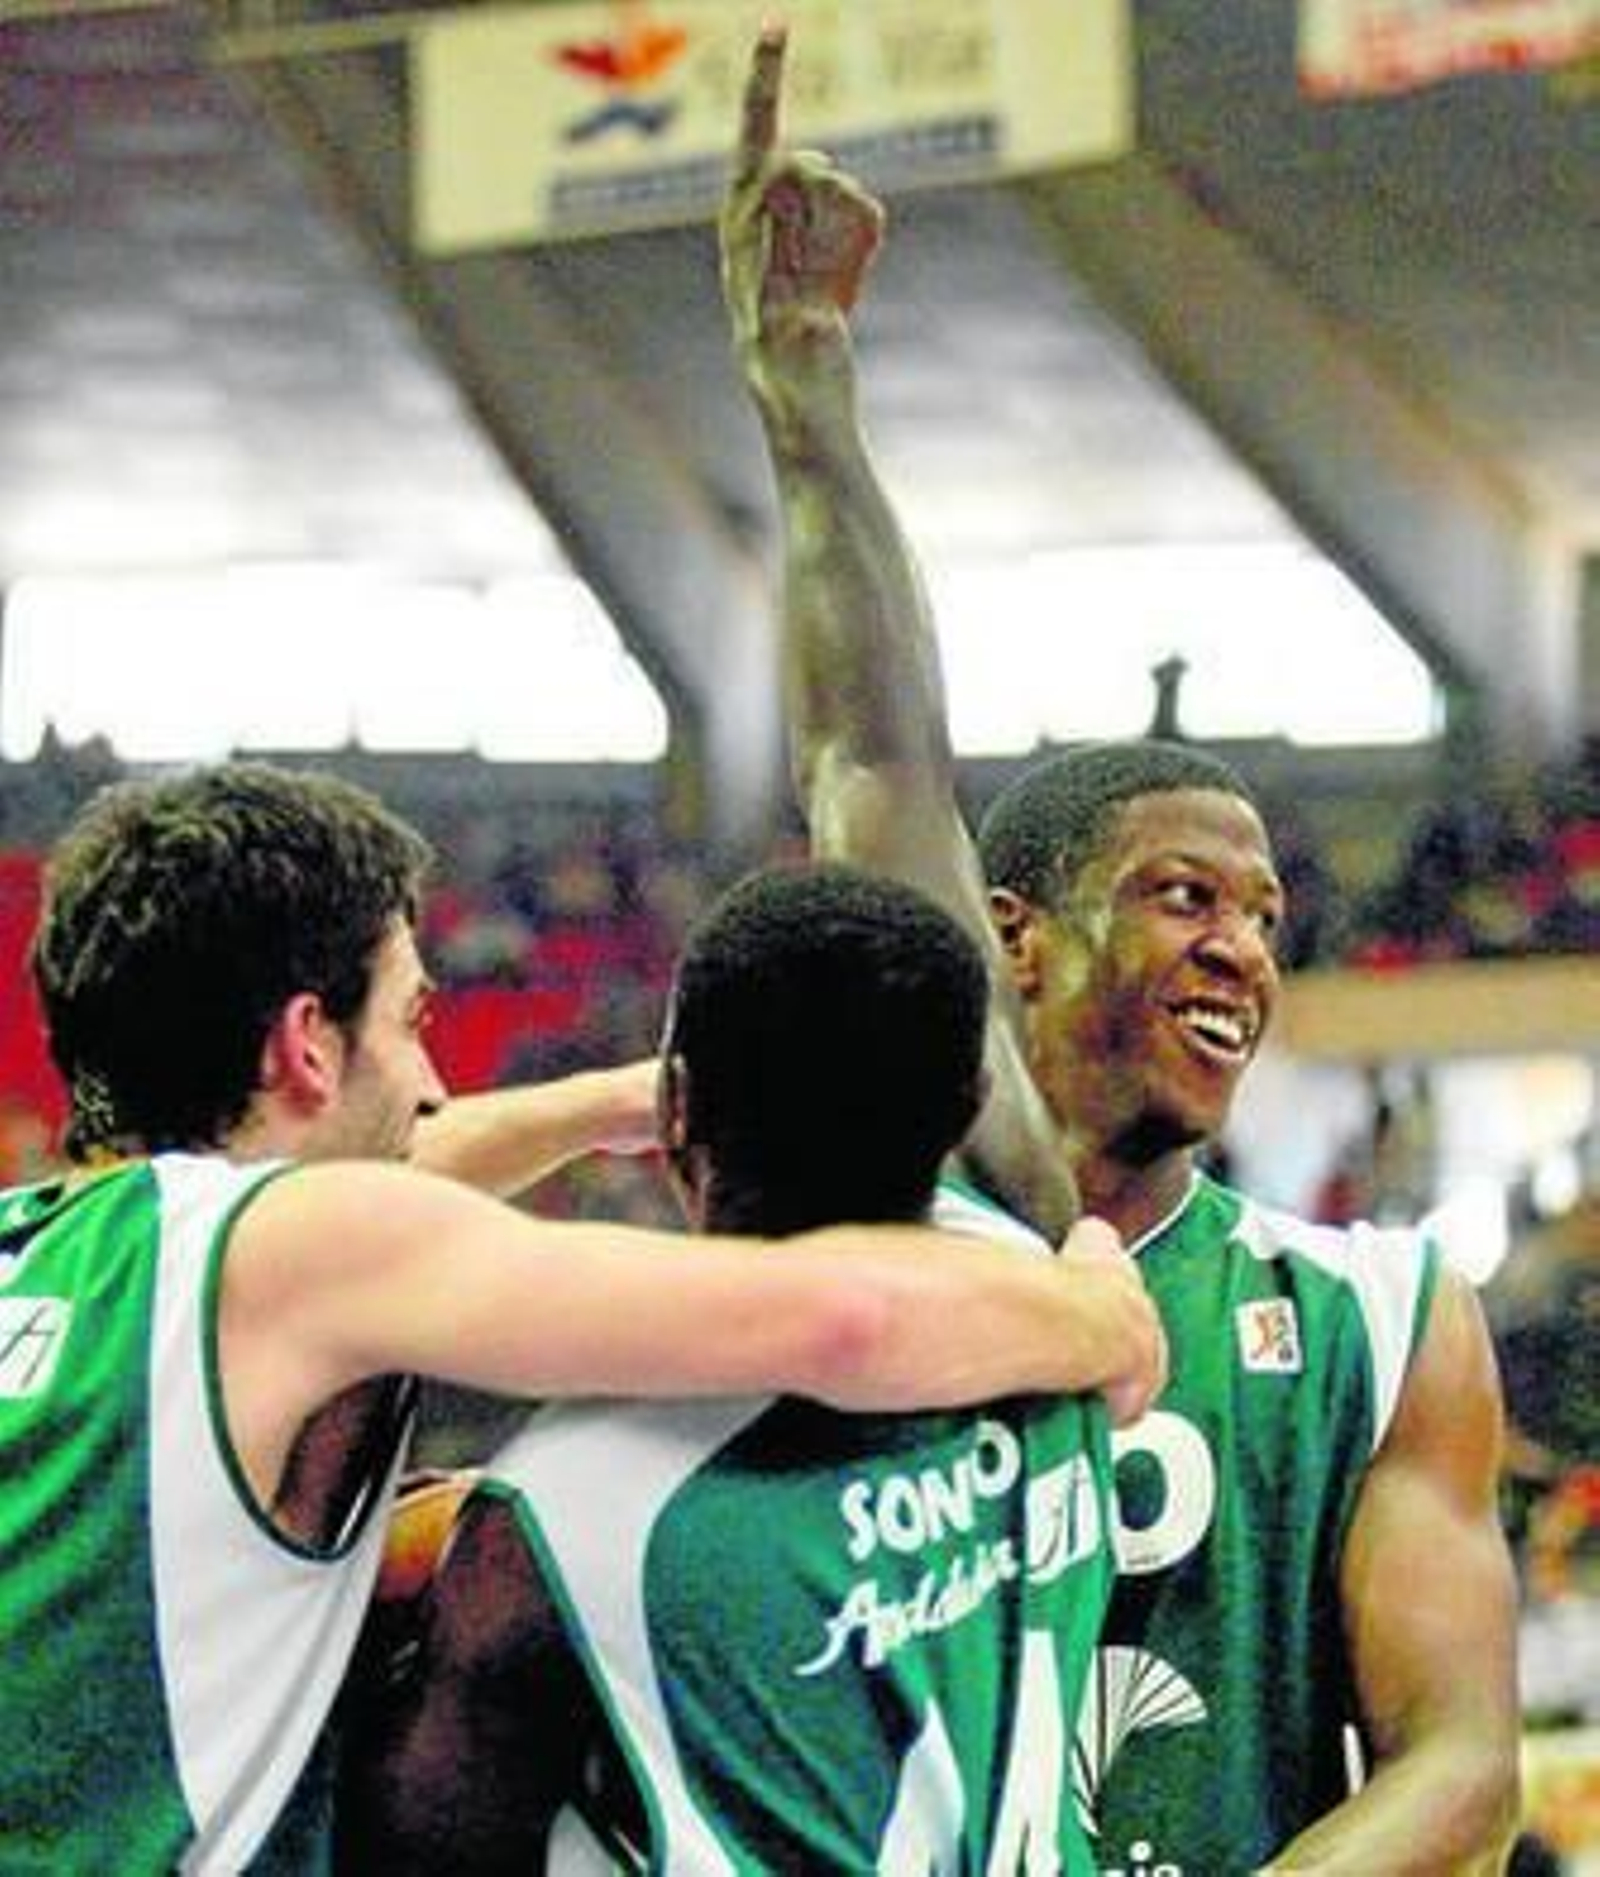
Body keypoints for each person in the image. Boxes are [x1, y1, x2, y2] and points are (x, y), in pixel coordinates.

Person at [723, 24, 1521, 1873]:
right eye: (1183, 896)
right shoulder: (890, 1253)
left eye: (1262, 913)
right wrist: (808, 394)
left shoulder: (1384, 1316)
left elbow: (1462, 1767)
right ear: (1012, 938)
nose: (1243, 946)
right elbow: (873, 762)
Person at [0, 759, 1162, 1874]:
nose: (435, 1084)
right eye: (412, 1022)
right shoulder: (297, 1248)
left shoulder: (53, 1240)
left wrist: (637, 1099)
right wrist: (1097, 1302)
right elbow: (840, 1322)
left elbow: (395, 1163)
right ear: (308, 1042)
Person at [337, 860, 1162, 1873]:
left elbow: (419, 1848)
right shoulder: (1052, 1307)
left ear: (673, 1108)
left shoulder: (557, 1515)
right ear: (966, 1107)